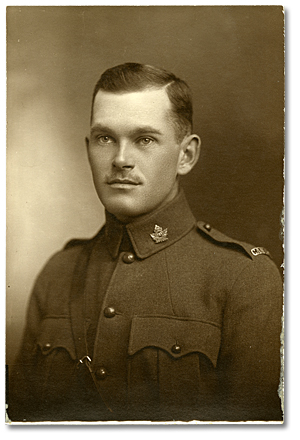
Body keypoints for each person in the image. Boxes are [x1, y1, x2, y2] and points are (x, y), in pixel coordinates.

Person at [7, 62, 283, 423]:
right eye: (106, 138)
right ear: (88, 147)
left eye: (144, 139)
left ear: (186, 155)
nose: (121, 159)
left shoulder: (244, 279)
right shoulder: (59, 273)